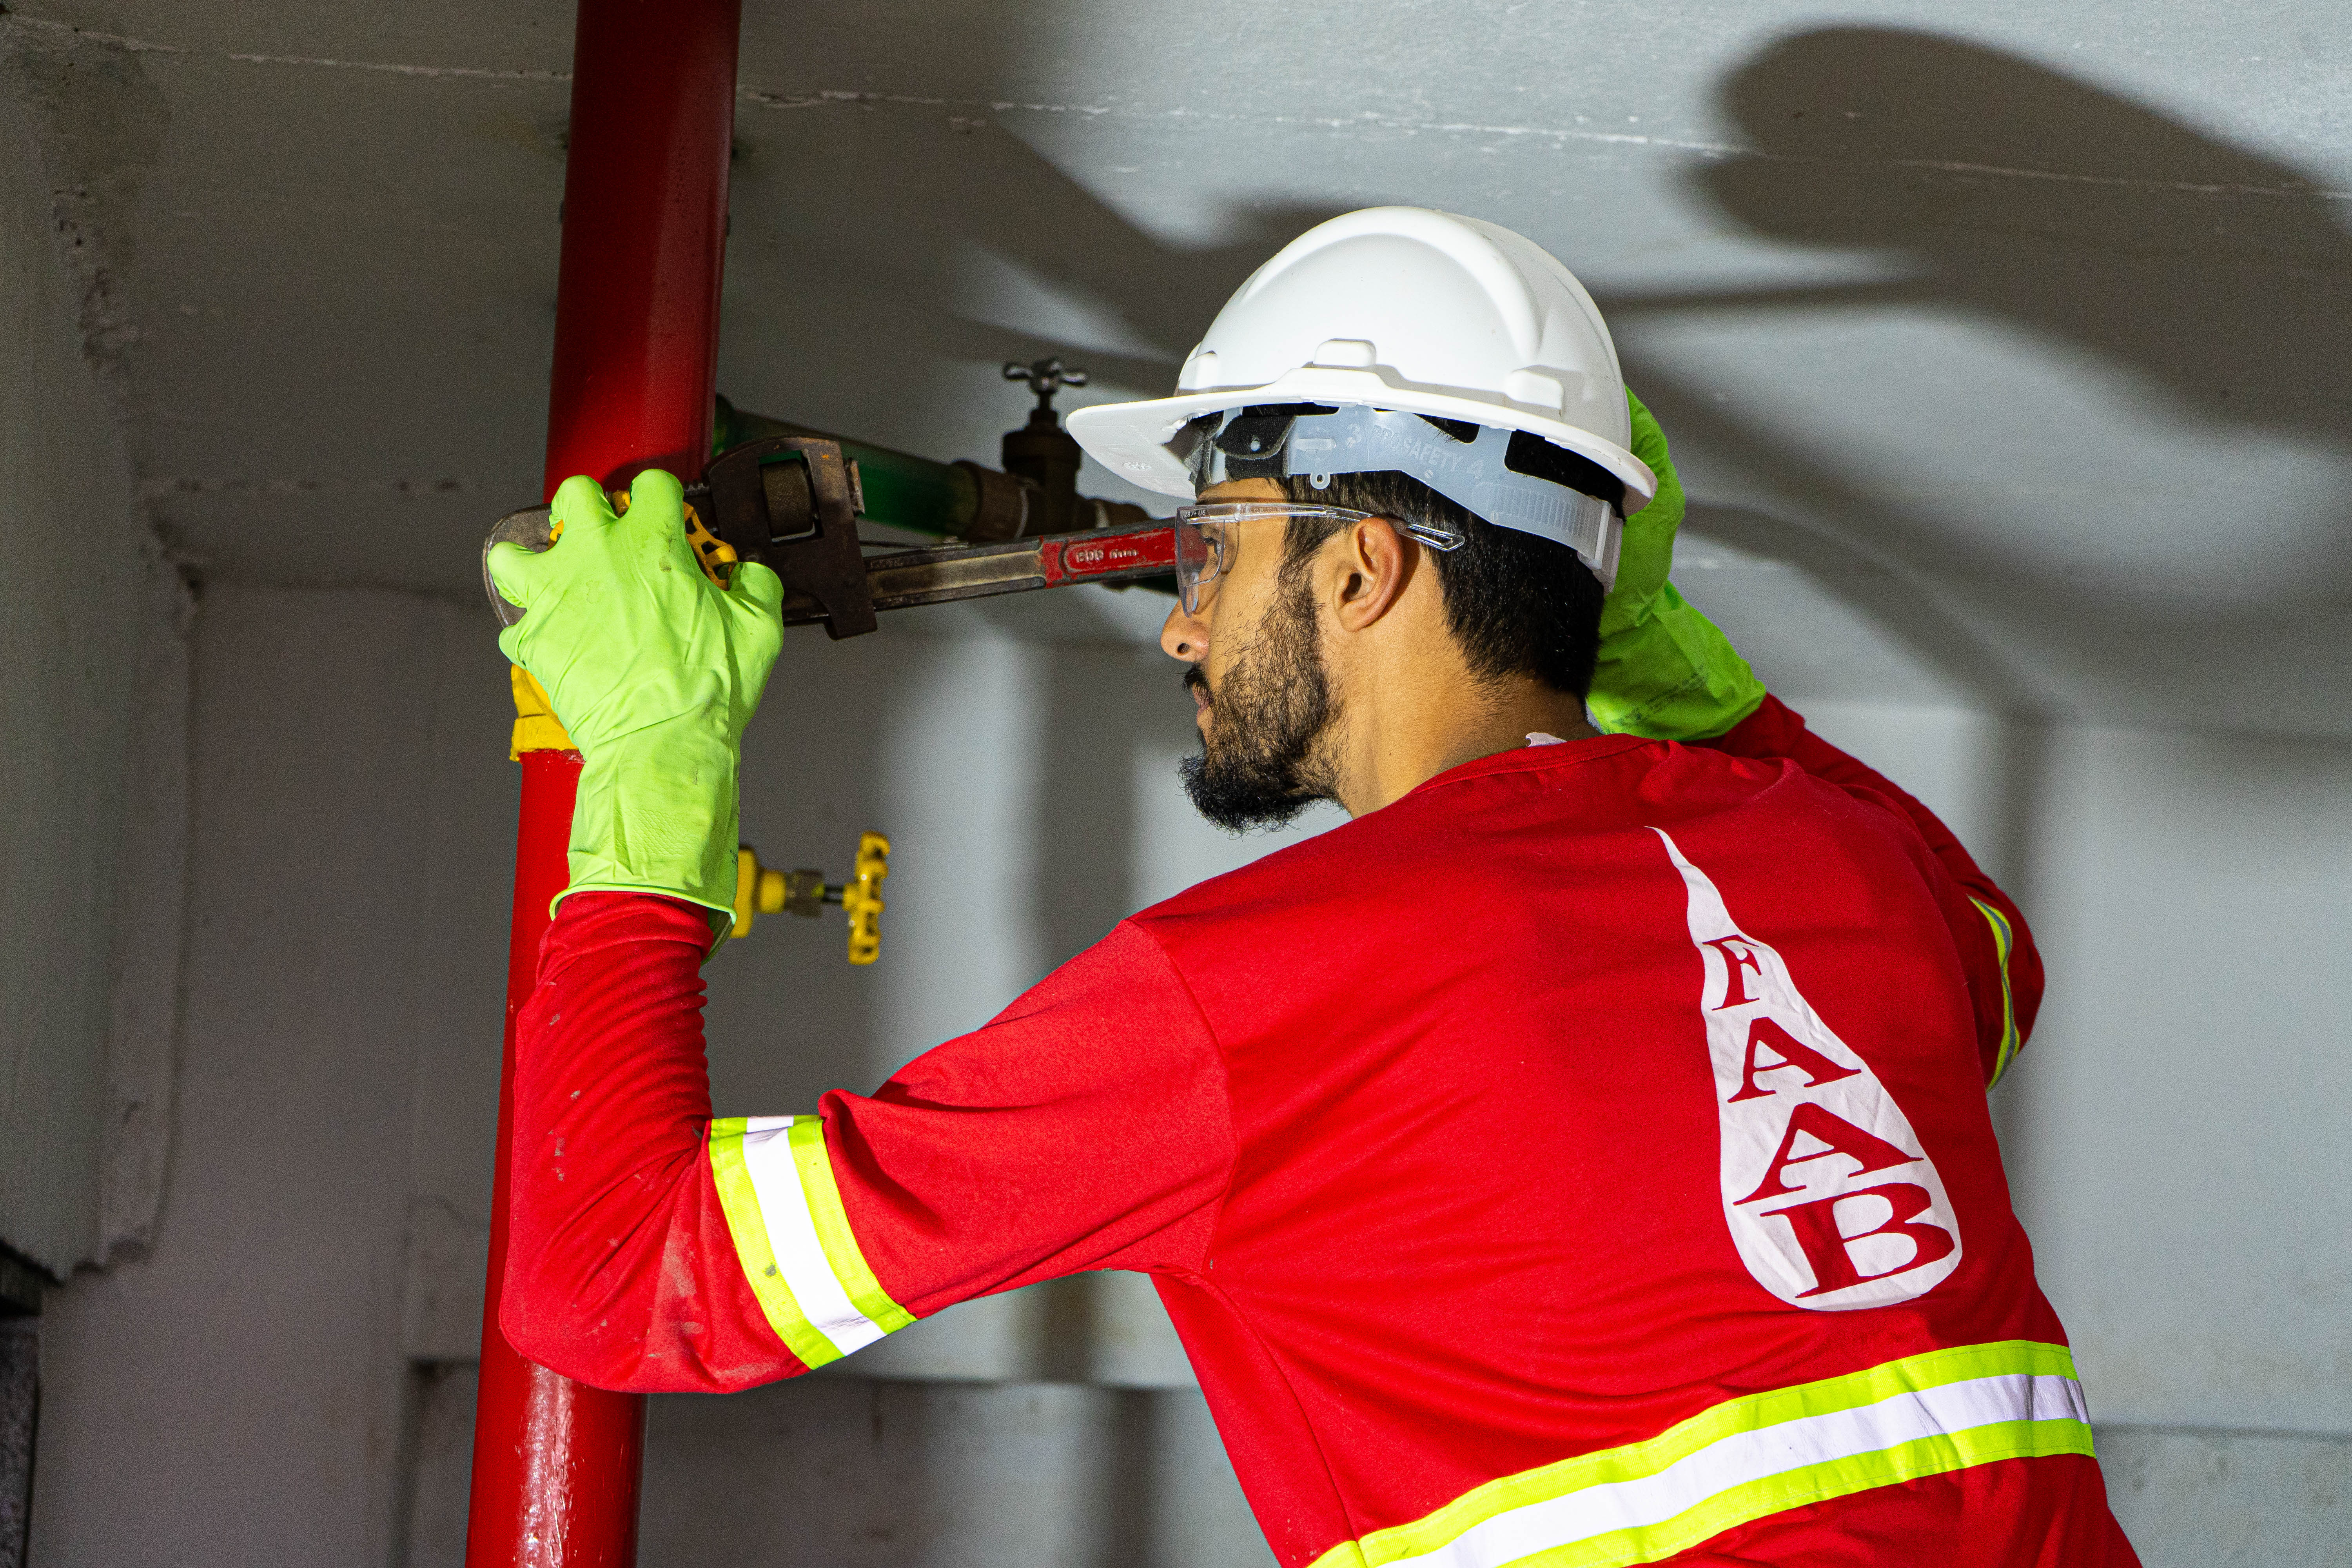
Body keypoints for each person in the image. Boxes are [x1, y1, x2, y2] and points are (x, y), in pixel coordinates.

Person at [487, 207, 2137, 1565]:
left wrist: (650, 767)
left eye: (1212, 549)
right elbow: (1990, 964)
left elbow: (619, 1280)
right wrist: (1676, 678)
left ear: (1365, 565)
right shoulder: (1849, 867)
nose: (1182, 624)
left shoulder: (1256, 992)